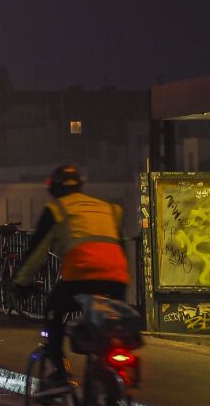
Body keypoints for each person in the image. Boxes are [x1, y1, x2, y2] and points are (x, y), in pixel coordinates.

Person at [12, 164, 130, 393]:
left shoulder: (57, 209)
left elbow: (36, 253)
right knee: (105, 330)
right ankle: (109, 394)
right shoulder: (107, 208)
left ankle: (61, 376)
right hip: (116, 279)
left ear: (54, 189)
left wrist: (20, 283)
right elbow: (120, 247)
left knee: (53, 314)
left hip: (81, 277)